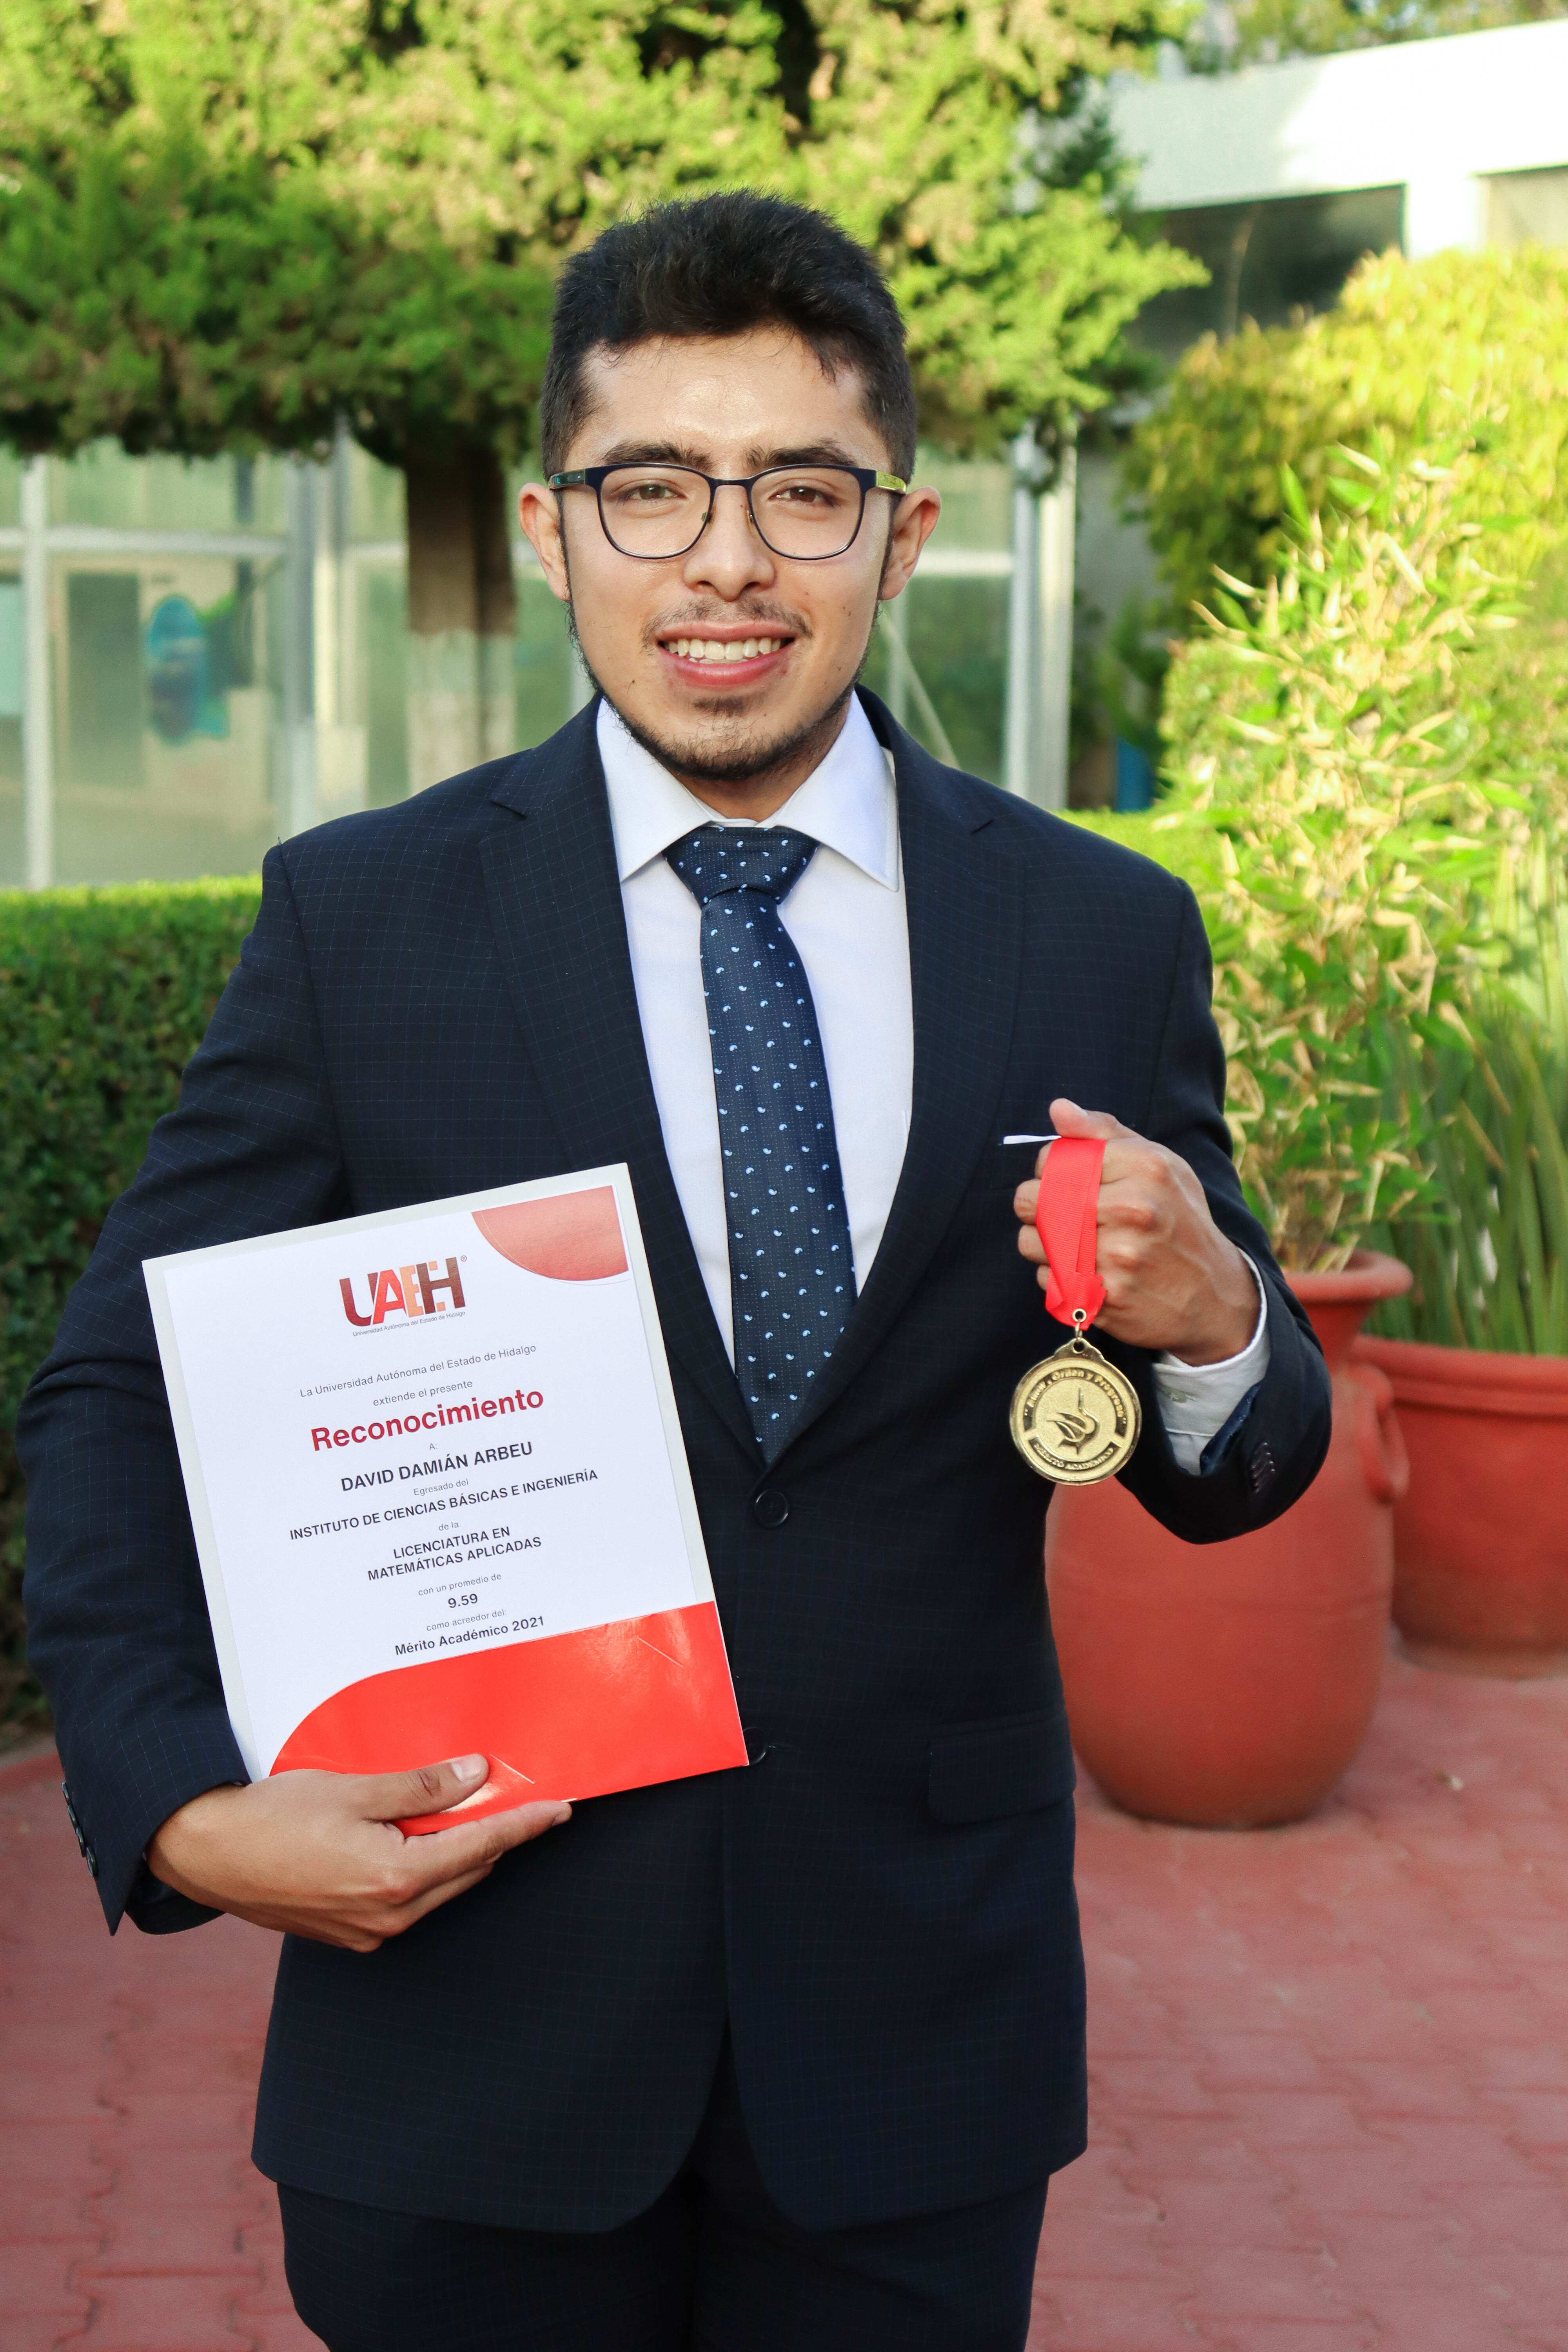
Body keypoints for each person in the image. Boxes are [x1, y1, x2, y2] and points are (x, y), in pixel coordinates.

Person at [20, 192, 1330, 2352]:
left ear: (897, 539)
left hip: (913, 2045)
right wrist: (175, 1801)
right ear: (555, 530)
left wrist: (1221, 1331)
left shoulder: (1096, 936)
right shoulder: (367, 928)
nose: (727, 558)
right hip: (469, 2043)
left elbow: (1238, 1460)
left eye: (802, 491)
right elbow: (117, 1391)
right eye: (654, 488)